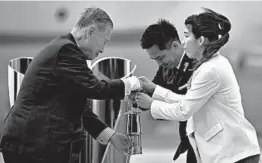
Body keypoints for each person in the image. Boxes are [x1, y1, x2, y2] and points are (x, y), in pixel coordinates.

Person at [0, 7, 141, 163]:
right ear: (91, 32)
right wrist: (134, 83)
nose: (103, 49)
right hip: (33, 148)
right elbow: (97, 88)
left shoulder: (65, 49)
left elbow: (78, 107)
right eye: (104, 41)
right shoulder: (66, 50)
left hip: (31, 146)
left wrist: (111, 136)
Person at [135, 8, 261, 163]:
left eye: (186, 36)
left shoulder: (210, 70)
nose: (183, 41)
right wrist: (155, 90)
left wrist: (152, 105)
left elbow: (184, 110)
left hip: (233, 153)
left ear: (200, 41)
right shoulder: (208, 66)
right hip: (224, 151)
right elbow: (188, 101)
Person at [139, 19, 197, 162]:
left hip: (212, 141)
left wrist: (151, 104)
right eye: (155, 60)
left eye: (160, 57)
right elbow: (154, 91)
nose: (160, 63)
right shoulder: (166, 68)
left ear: (176, 45)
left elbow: (187, 108)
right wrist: (136, 91)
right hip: (192, 141)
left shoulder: (198, 65)